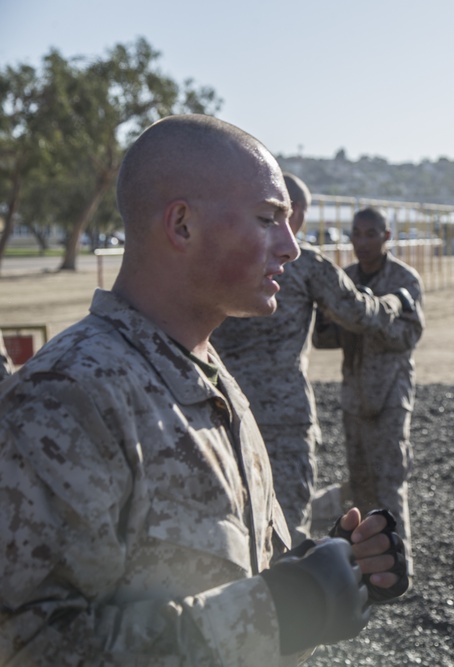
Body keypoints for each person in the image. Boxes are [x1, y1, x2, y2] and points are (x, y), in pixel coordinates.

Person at [0, 114, 407, 665]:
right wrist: (277, 611)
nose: (290, 247)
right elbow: (29, 643)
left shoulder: (208, 375)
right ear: (182, 225)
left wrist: (328, 568)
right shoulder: (68, 397)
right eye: (268, 218)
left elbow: (223, 572)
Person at [212, 176, 416, 544]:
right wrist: (397, 302)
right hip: (283, 416)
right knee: (287, 528)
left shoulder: (221, 261)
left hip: (220, 411)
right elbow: (359, 314)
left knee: (231, 522)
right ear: (297, 212)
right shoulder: (304, 263)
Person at [313, 206, 424, 565]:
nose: (361, 242)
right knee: (360, 483)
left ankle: (399, 565)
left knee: (389, 481)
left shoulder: (404, 281)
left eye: (370, 234)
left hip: (391, 392)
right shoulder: (344, 280)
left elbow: (410, 334)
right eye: (356, 234)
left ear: (386, 236)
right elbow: (323, 339)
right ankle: (367, 564)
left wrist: (366, 317)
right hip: (354, 394)